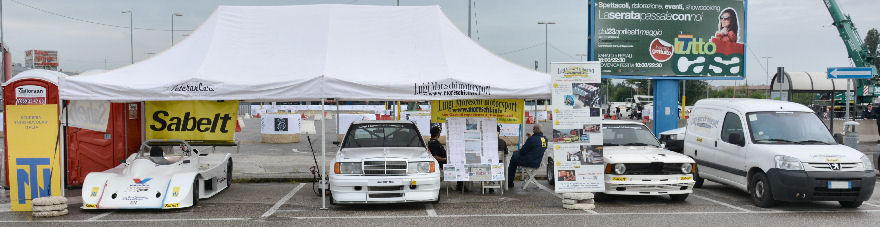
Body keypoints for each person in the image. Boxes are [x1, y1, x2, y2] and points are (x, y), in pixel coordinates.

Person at [507, 125, 548, 189]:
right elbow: (538, 148)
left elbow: (522, 152)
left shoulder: (531, 139)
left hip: (529, 162)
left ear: (534, 130)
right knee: (515, 156)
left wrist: (529, 139)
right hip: (538, 162)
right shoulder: (544, 139)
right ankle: (509, 181)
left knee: (514, 157)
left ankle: (509, 181)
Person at [428, 126, 463, 190]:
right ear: (438, 134)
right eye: (439, 133)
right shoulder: (433, 143)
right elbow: (434, 156)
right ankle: (460, 187)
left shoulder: (435, 142)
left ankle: (460, 185)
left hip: (445, 162)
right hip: (443, 164)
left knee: (459, 163)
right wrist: (445, 159)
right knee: (460, 167)